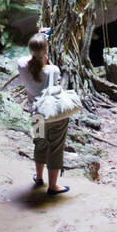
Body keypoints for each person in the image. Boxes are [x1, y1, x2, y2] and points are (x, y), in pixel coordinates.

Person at [15, 29, 70, 196]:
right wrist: (45, 48)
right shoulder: (52, 70)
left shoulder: (22, 65)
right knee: (55, 148)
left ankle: (39, 178)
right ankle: (53, 186)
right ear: (47, 49)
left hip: (36, 115)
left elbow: (32, 58)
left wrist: (40, 42)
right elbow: (53, 87)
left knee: (40, 144)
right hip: (53, 116)